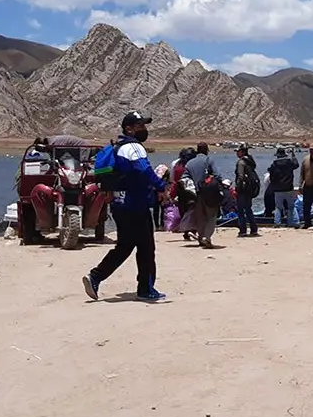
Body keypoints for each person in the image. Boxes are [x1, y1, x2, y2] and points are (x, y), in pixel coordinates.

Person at [81, 111, 167, 302]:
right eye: (140, 126)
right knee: (146, 247)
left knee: (125, 245)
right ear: (129, 129)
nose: (144, 129)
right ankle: (145, 289)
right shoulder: (134, 147)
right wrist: (161, 186)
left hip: (120, 205)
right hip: (135, 205)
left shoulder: (118, 147)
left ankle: (95, 276)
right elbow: (144, 170)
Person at [185, 142, 221, 248]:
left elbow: (184, 178)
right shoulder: (209, 160)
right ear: (206, 150)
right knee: (211, 216)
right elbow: (217, 175)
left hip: (195, 195)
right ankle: (207, 237)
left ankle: (201, 238)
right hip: (209, 193)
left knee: (200, 217)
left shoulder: (190, 163)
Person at [233, 143, 260, 238]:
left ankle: (243, 230)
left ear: (242, 152)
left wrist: (237, 189)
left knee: (240, 210)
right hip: (249, 189)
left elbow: (240, 177)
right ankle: (254, 229)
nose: (237, 153)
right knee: (248, 209)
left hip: (242, 190)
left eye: (238, 151)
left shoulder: (241, 162)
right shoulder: (250, 161)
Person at [268, 147, 299, 227]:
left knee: (278, 207)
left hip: (278, 189)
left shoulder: (274, 165)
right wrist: (293, 155)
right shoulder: (289, 163)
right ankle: (294, 223)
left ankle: (277, 223)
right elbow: (297, 165)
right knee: (291, 206)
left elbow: (271, 177)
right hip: (288, 188)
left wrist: (274, 186)